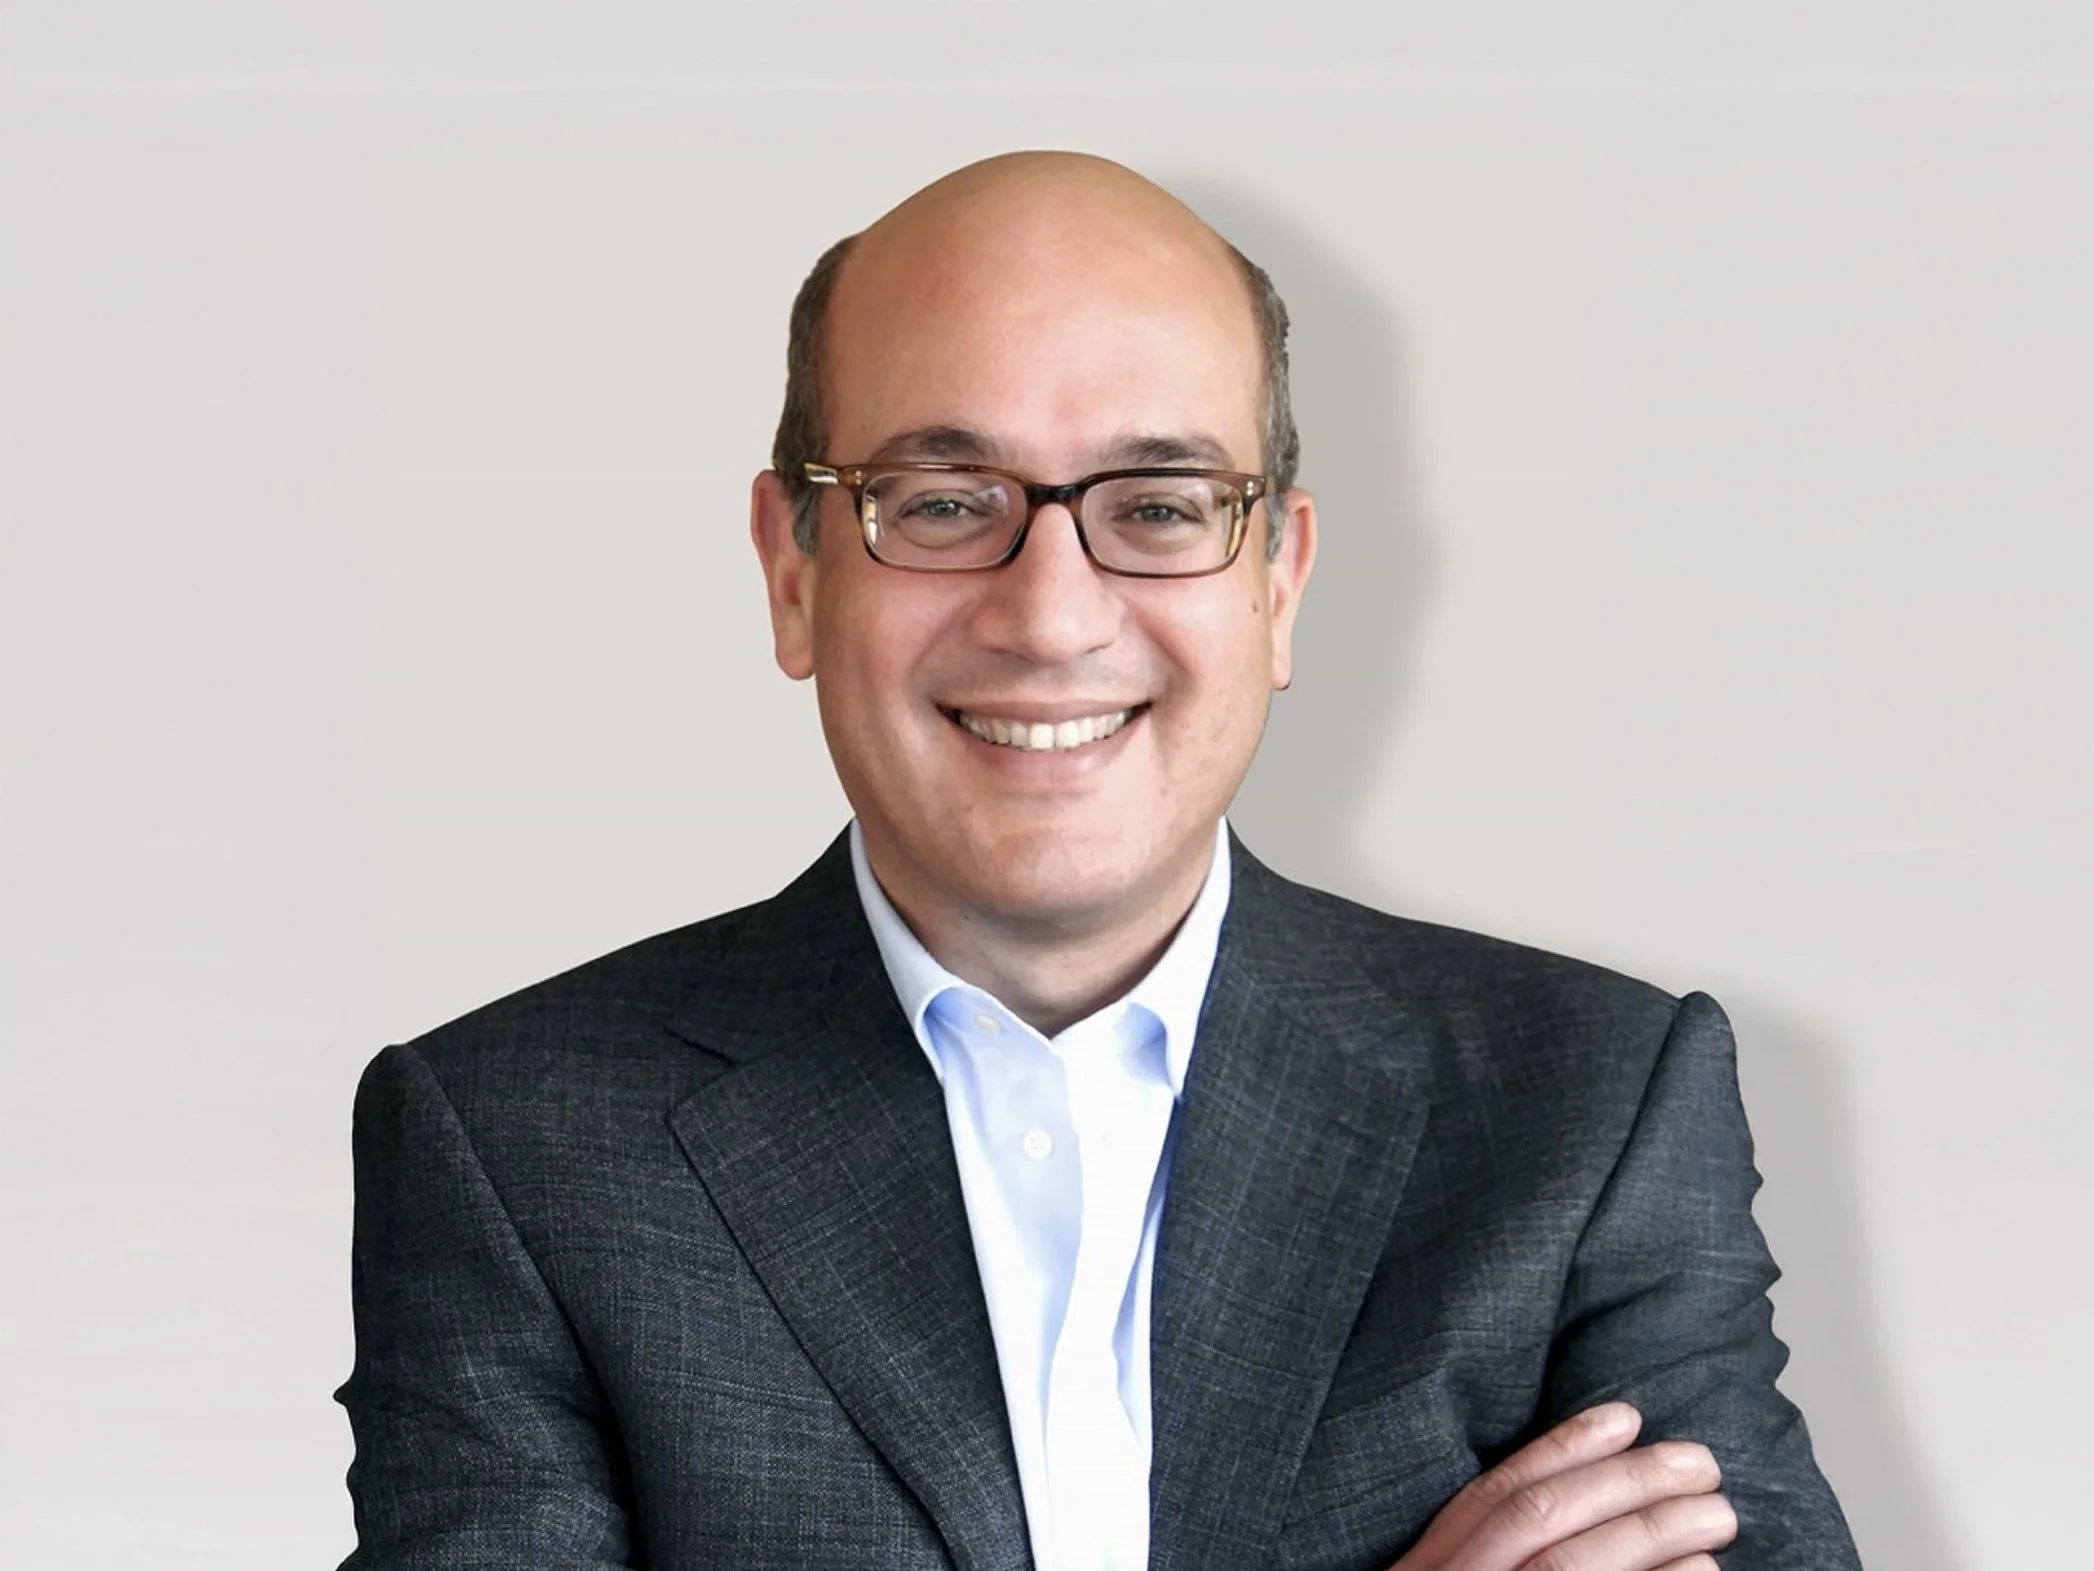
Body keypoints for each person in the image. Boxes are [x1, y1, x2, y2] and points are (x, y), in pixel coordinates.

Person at [337, 152, 1860, 1571]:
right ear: (793, 570)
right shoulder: (515, 1145)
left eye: (1158, 507)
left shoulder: (1587, 1105)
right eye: (939, 505)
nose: (1050, 615)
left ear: (1277, 582)